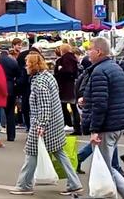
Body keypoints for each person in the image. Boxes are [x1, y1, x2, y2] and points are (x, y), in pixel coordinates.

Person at [9, 53, 82, 196]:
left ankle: (24, 184)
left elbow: (44, 106)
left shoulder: (39, 82)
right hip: (55, 122)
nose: (25, 66)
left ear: (33, 65)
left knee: (31, 153)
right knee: (59, 153)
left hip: (44, 124)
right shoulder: (48, 76)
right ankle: (74, 183)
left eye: (27, 64)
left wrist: (41, 125)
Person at [80, 37, 124, 199]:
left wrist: (95, 129)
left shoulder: (99, 71)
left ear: (98, 51)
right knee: (107, 165)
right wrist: (87, 99)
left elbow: (100, 104)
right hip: (117, 122)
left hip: (106, 124)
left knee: (104, 167)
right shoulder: (115, 67)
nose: (88, 53)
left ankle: (118, 196)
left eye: (90, 49)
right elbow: (110, 96)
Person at [54, 44, 81, 134]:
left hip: (66, 86)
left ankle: (70, 124)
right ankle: (77, 127)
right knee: (74, 107)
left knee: (64, 106)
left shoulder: (65, 58)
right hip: (71, 85)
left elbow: (67, 70)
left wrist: (60, 69)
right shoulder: (73, 58)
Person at [0, 49, 20, 142]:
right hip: (10, 87)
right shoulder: (12, 61)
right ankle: (11, 136)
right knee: (10, 112)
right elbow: (18, 74)